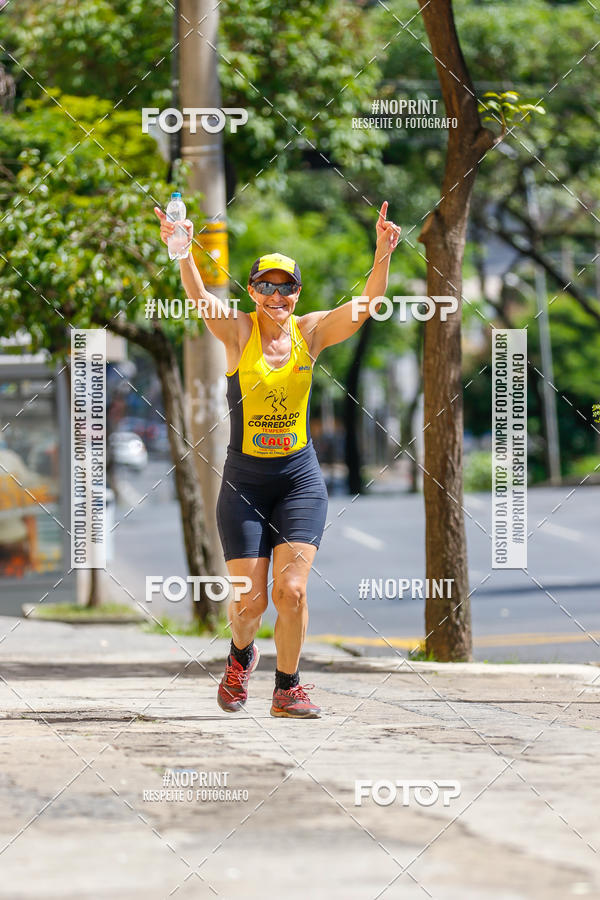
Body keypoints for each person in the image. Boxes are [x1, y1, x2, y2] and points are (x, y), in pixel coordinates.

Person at [155, 201, 401, 718]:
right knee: (250, 603)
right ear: (252, 292)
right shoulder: (238, 332)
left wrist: (382, 251)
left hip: (298, 480)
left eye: (285, 287)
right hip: (244, 483)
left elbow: (366, 305)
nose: (276, 296)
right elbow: (199, 298)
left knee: (291, 591)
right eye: (265, 286)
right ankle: (241, 655)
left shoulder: (310, 332)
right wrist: (182, 249)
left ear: (297, 294)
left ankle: (287, 688)